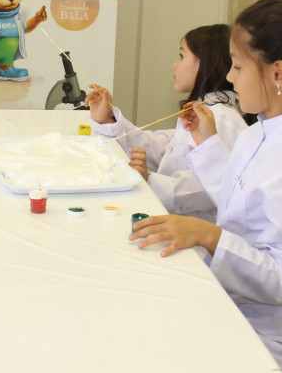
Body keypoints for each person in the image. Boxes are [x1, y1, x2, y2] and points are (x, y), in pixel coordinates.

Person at [130, 0, 282, 373]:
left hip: (277, 341)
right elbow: (241, 197)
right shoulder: (264, 130)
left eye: (238, 66)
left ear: (279, 74)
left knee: (150, 354)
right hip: (241, 304)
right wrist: (207, 144)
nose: (230, 77)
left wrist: (209, 235)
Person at [88, 24, 246, 223]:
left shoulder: (221, 118)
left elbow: (208, 188)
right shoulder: (206, 110)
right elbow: (163, 149)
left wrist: (150, 180)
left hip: (195, 232)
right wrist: (109, 119)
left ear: (207, 63)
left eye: (182, 56)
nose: (175, 65)